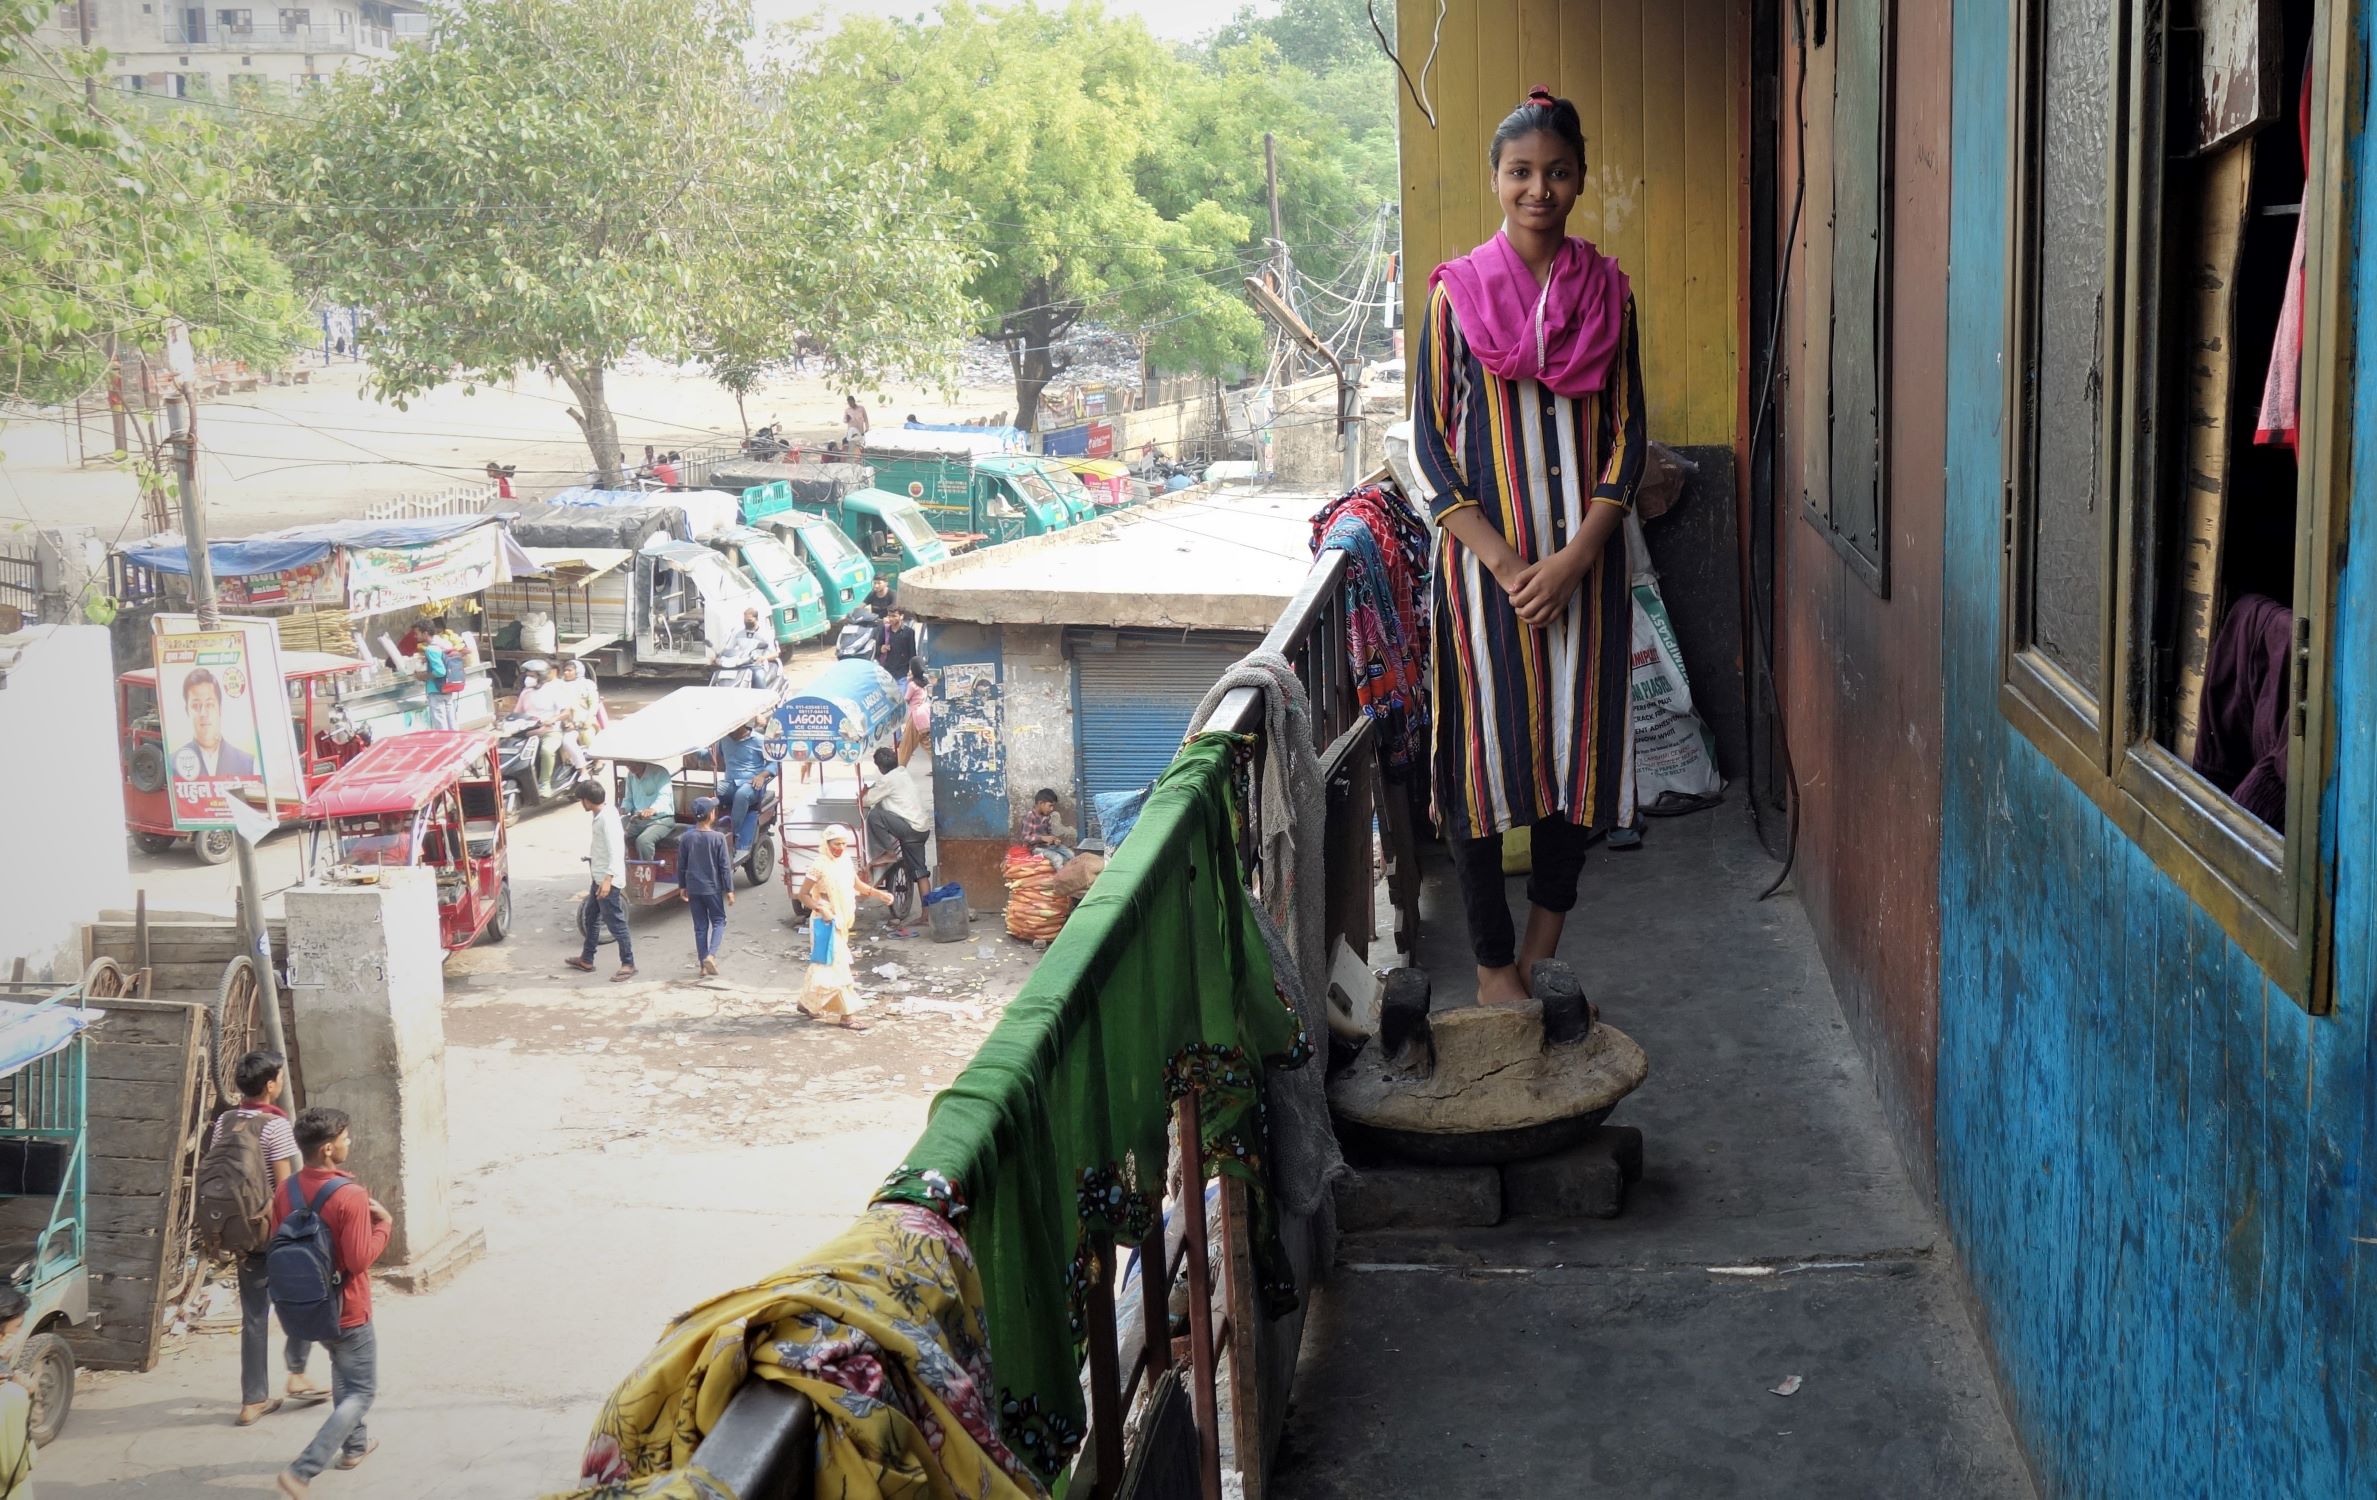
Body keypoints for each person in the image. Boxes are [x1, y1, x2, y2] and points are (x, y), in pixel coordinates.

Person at [1415, 89, 1646, 1008]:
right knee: (1480, 761)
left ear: (1579, 178)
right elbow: (1432, 447)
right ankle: (1488, 967)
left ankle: (1541, 948)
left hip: (1585, 571)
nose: (1538, 190)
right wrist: (1512, 567)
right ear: (1495, 181)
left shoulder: (1609, 293)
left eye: (1555, 173)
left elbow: (1628, 434)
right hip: (1486, 580)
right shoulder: (1453, 297)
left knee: (1576, 753)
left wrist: (1577, 557)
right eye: (1520, 173)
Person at [271, 1107, 392, 1497]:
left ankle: (355, 1447)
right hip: (349, 1307)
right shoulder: (350, 1195)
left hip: (306, 1305)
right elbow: (358, 1260)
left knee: (345, 1376)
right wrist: (384, 1225)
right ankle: (304, 1469)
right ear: (327, 1148)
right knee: (361, 1392)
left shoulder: (285, 1190)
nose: (349, 1142)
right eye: (345, 1137)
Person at [213, 1050, 327, 1426]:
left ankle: (253, 1399)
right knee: (309, 1296)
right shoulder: (275, 1127)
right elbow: (283, 1187)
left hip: (238, 1229)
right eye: (278, 1077)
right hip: (273, 1232)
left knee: (254, 1316)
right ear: (270, 1085)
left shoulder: (225, 1121)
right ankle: (297, 1373)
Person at [796, 824, 893, 1029]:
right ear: (826, 844)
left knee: (823, 964)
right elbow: (803, 894)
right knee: (838, 968)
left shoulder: (846, 862)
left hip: (842, 921)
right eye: (836, 844)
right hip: (825, 923)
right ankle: (847, 1017)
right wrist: (822, 909)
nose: (839, 848)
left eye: (843, 844)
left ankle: (807, 1003)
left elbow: (857, 885)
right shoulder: (819, 865)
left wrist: (879, 894)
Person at [565, 780, 636, 981]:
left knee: (616, 923)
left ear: (588, 801)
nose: (581, 804)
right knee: (590, 916)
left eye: (582, 800)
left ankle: (628, 963)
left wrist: (607, 880)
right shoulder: (604, 814)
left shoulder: (607, 820)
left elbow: (616, 852)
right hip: (599, 877)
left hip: (608, 880)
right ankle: (587, 958)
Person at [677, 796, 736, 976]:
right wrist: (730, 890)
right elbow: (724, 866)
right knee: (719, 921)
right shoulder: (718, 838)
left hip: (694, 888)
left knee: (700, 927)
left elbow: (682, 864)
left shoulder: (686, 838)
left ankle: (702, 966)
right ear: (711, 815)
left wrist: (682, 886)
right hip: (712, 889)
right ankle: (711, 955)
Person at [173, 666, 260, 781]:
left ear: (220, 709)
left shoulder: (247, 763)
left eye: (209, 705)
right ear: (187, 711)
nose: (203, 713)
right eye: (195, 706)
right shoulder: (173, 763)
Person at [511, 660, 579, 796]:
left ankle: (545, 783)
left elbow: (566, 712)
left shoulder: (553, 690)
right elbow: (516, 713)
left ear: (541, 676)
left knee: (547, 751)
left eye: (532, 675)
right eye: (528, 675)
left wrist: (552, 719)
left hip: (550, 731)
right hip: (528, 732)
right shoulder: (526, 692)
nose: (528, 678)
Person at [708, 720, 774, 855]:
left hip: (752, 784)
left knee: (742, 795)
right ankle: (707, 829)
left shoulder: (760, 741)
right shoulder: (724, 740)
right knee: (710, 792)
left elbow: (774, 764)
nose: (729, 732)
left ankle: (733, 835)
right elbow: (711, 754)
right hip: (730, 783)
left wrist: (762, 776)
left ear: (741, 727)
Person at [862, 746, 928, 876]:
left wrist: (865, 792)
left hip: (911, 829)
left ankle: (888, 853)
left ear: (880, 768)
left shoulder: (887, 780)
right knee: (921, 873)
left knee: (875, 815)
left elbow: (866, 801)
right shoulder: (902, 772)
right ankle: (928, 897)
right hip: (922, 828)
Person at [0, 1284, 32, 1497]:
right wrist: (27, 1394)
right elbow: (16, 1468)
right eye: (18, 1327)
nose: (20, 1333)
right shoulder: (10, 1396)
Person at [619, 758, 678, 861]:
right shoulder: (630, 775)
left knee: (643, 841)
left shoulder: (660, 772)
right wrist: (623, 809)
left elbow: (664, 797)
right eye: (628, 764)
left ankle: (647, 871)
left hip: (661, 819)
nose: (630, 767)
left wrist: (652, 809)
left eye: (633, 763)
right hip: (638, 819)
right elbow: (628, 799)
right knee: (616, 831)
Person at [712, 606, 774, 687]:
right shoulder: (738, 633)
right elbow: (728, 649)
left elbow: (775, 653)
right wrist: (719, 657)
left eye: (749, 620)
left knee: (759, 677)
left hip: (756, 665)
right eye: (745, 620)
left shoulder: (764, 634)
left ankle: (764, 698)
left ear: (756, 619)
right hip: (739, 664)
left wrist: (763, 658)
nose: (747, 622)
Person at [1020, 788, 1075, 869]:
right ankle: (1062, 879)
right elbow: (1025, 838)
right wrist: (1042, 838)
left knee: (1071, 854)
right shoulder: (1030, 816)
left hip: (1048, 846)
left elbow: (1049, 833)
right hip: (1035, 848)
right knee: (1057, 858)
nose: (1052, 809)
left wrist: (1054, 839)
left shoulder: (1047, 816)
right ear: (1041, 803)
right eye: (1050, 806)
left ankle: (1072, 874)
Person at [898, 659, 931, 767]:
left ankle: (900, 768)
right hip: (925, 715)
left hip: (916, 717)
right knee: (927, 743)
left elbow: (906, 700)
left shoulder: (912, 685)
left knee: (906, 745)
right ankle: (939, 764)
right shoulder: (924, 682)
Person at [877, 604, 918, 681]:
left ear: (901, 616)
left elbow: (912, 653)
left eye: (894, 616)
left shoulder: (909, 632)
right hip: (887, 672)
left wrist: (912, 670)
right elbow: (877, 649)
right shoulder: (884, 630)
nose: (891, 619)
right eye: (889, 616)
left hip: (902, 673)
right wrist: (881, 649)